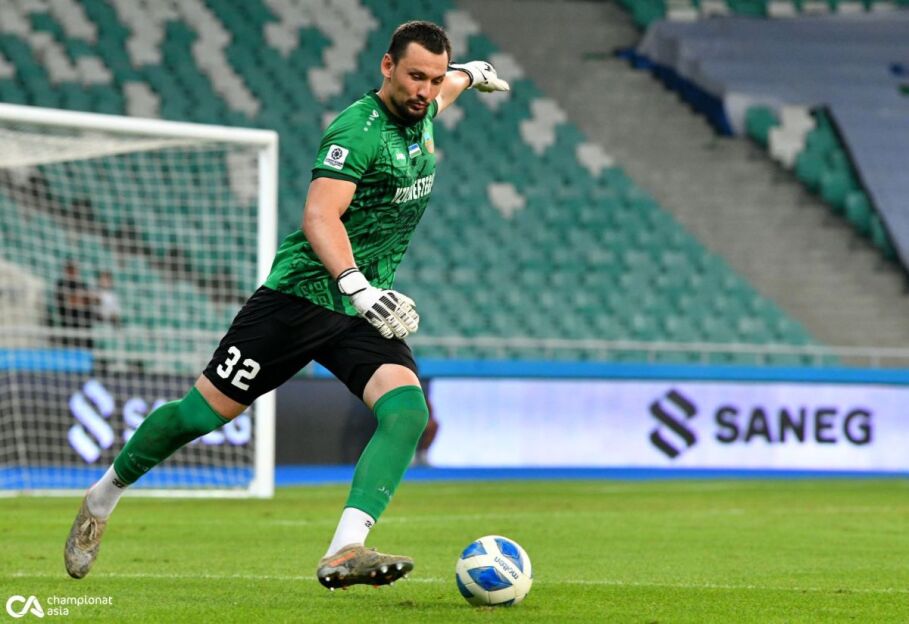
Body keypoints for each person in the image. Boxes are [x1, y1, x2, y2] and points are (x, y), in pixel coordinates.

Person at [64, 20, 509, 590]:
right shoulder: (358, 130)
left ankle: (345, 548)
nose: (425, 90)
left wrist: (473, 73)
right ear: (387, 66)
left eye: (435, 79)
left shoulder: (425, 107)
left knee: (407, 411)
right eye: (415, 76)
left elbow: (451, 86)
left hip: (360, 310)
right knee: (199, 415)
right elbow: (320, 216)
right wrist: (357, 286)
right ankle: (101, 498)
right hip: (301, 298)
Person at [53, 259, 94, 349]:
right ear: (66, 270)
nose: (73, 272)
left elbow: (91, 300)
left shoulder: (83, 285)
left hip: (85, 326)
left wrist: (79, 299)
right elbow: (67, 302)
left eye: (75, 269)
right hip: (68, 326)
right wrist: (80, 299)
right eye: (70, 269)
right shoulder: (61, 284)